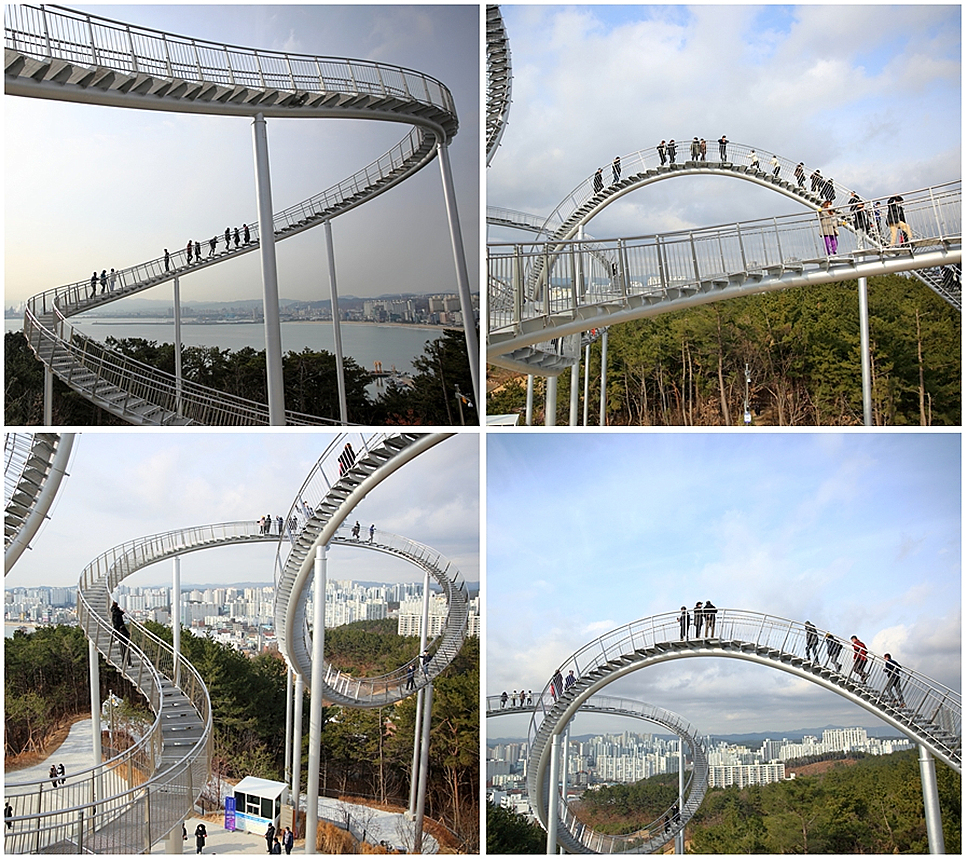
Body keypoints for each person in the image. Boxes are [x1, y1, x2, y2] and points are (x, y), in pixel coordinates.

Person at [111, 601, 131, 667]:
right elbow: (119, 614)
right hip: (123, 635)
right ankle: (128, 663)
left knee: (123, 651)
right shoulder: (116, 611)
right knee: (126, 651)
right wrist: (122, 611)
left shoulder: (114, 611)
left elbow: (118, 615)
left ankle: (125, 663)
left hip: (120, 634)